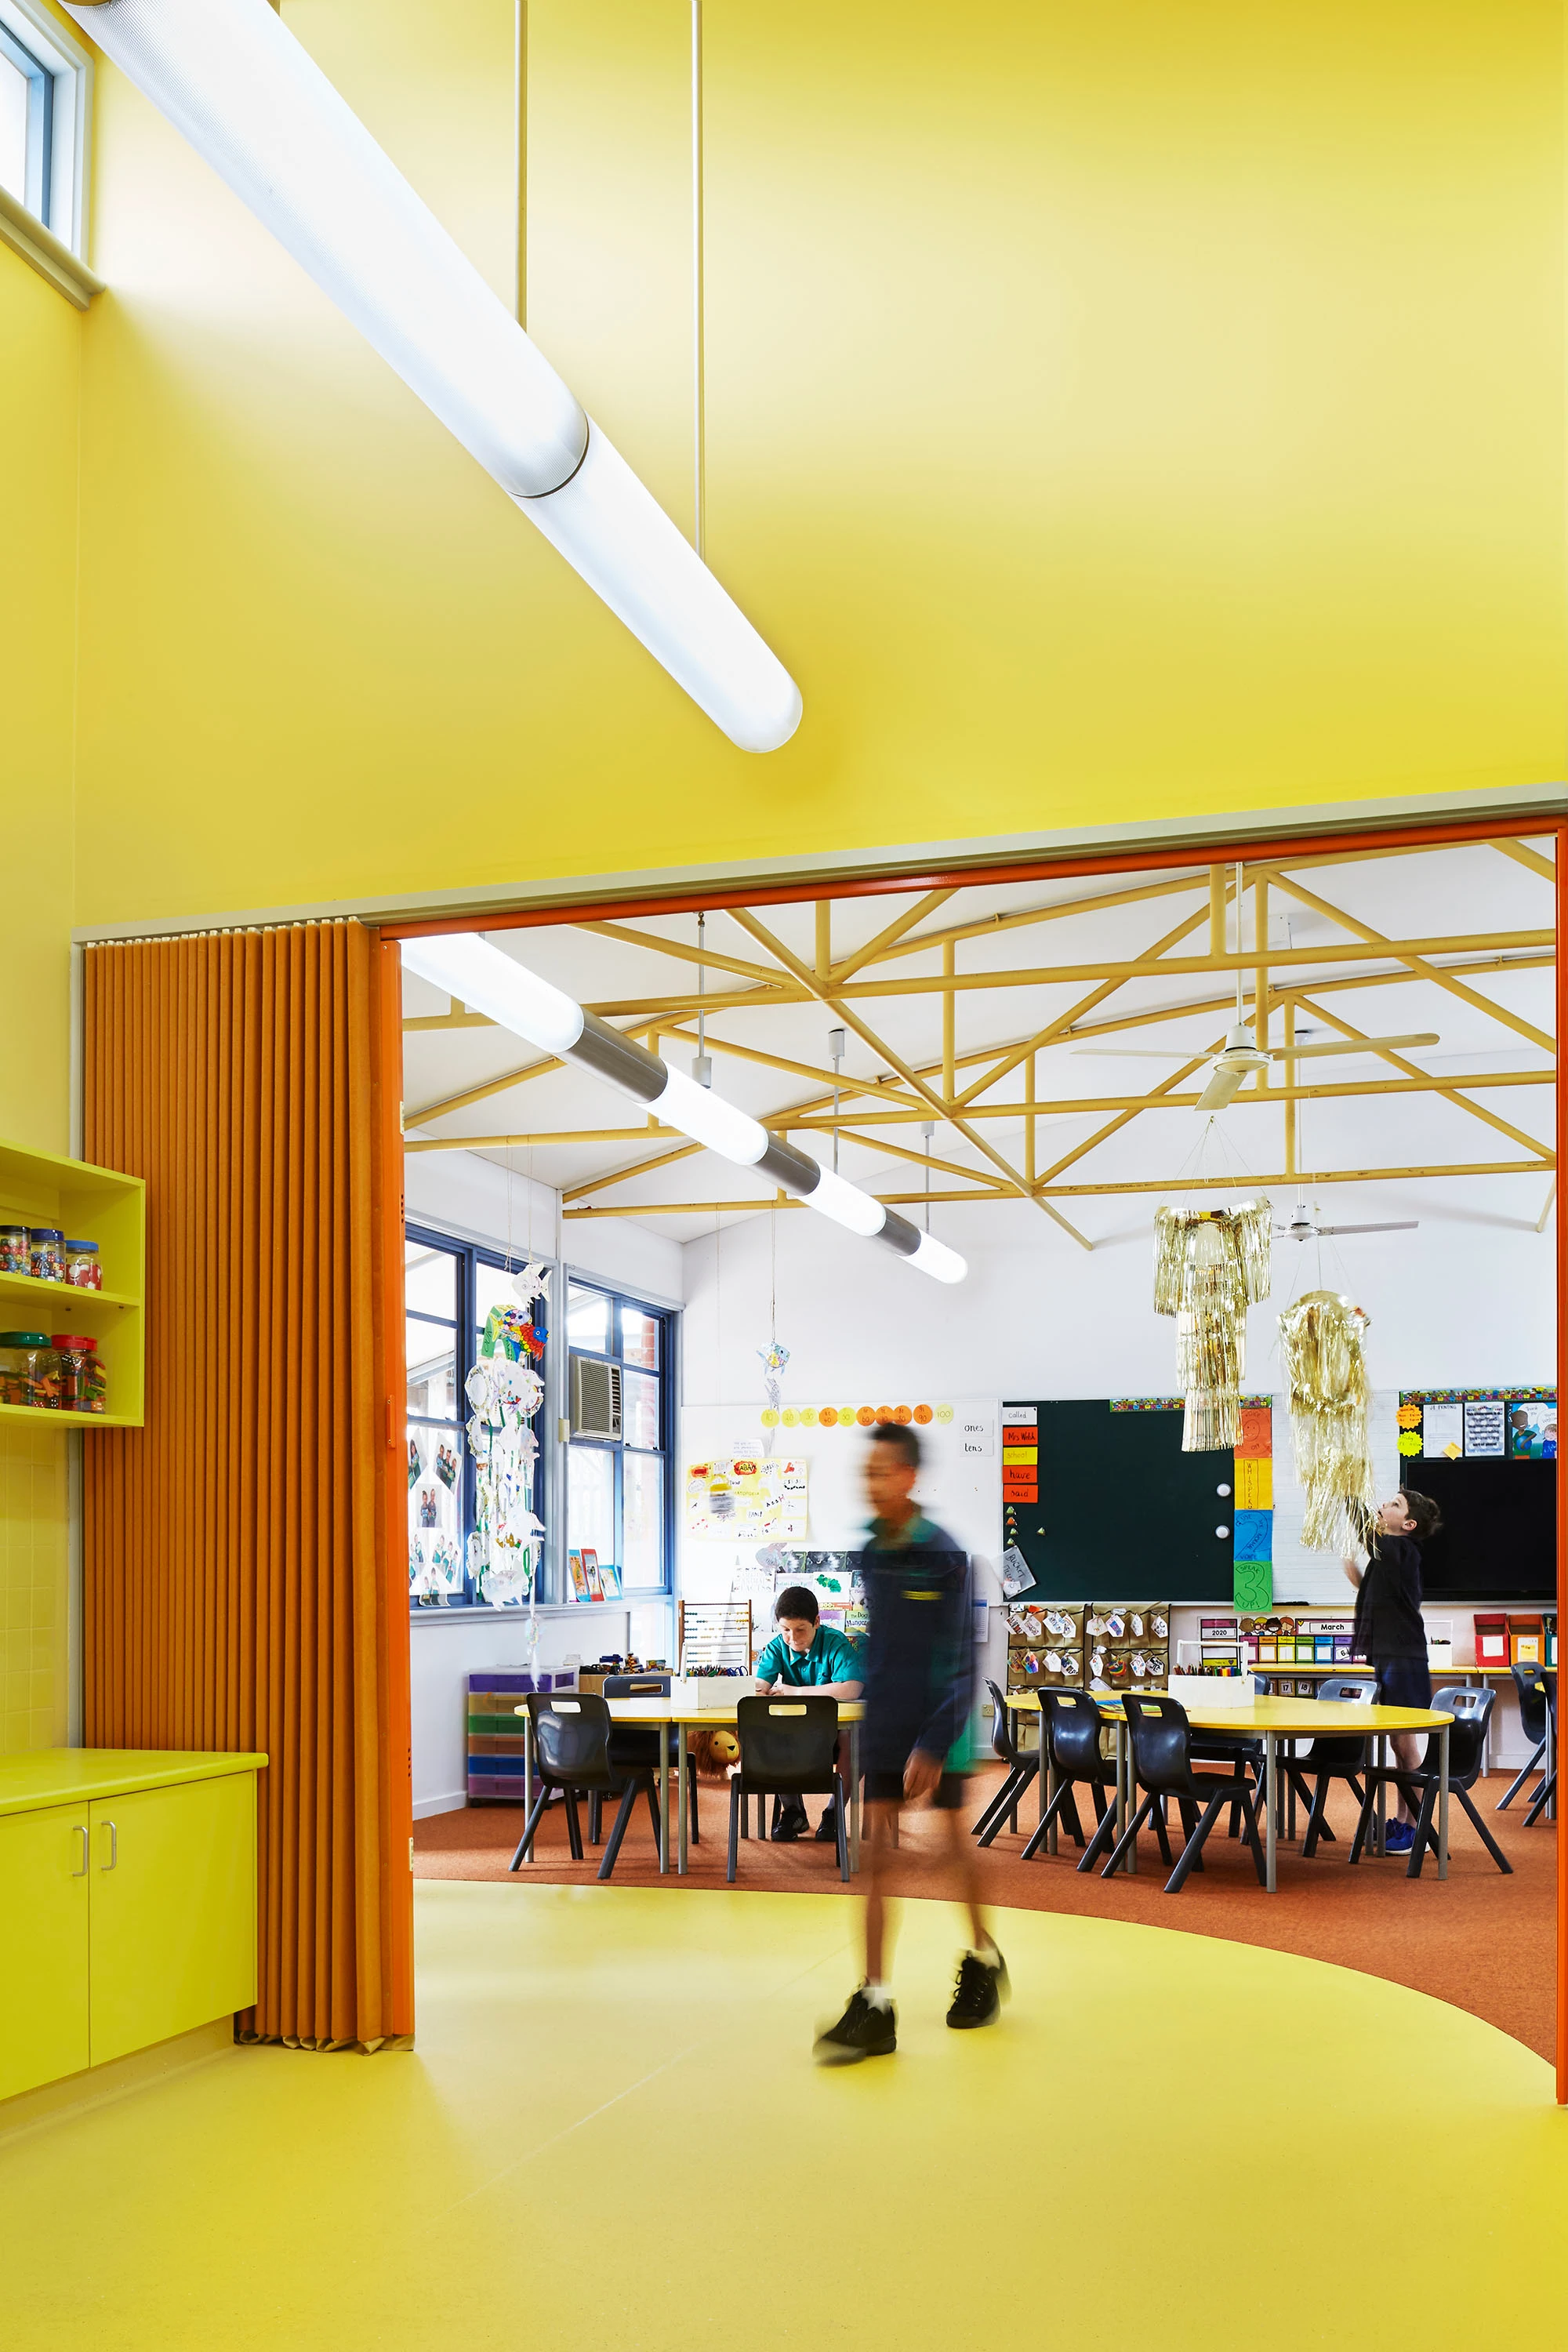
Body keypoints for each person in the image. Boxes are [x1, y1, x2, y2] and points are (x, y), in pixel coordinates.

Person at [814, 1422, 1006, 2064]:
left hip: (940, 1726)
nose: (871, 1483)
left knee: (952, 1848)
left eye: (882, 1471)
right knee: (878, 1860)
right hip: (887, 1721)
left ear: (910, 1476)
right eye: (865, 1472)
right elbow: (885, 1647)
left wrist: (934, 1740)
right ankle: (875, 2000)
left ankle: (984, 1959)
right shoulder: (870, 1550)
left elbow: (960, 1659)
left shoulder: (946, 1555)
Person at [1343, 1488, 1441, 1853]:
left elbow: (1366, 1527)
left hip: (1404, 1658)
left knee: (1404, 1742)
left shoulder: (1399, 1549)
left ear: (1408, 1524)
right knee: (1398, 1744)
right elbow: (1378, 1592)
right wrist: (1357, 1578)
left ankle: (1417, 1826)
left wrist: (1345, 1489)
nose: (1385, 1506)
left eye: (1395, 1505)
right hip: (1392, 1656)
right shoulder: (1389, 1557)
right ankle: (1403, 1821)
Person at [753, 1586, 864, 1840]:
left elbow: (852, 1688)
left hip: (832, 1733)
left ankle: (833, 1814)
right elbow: (761, 1684)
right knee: (767, 1733)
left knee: (853, 1738)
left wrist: (795, 1691)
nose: (792, 1638)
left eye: (800, 1629)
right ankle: (793, 1811)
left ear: (817, 1621)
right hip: (793, 1731)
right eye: (785, 1630)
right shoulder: (776, 1647)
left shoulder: (835, 1643)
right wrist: (756, 1689)